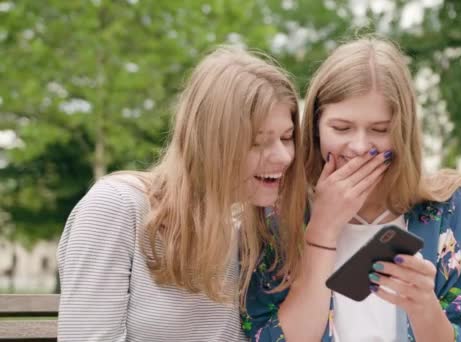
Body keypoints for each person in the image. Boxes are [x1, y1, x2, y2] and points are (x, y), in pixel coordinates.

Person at [244, 37, 461, 341]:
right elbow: (262, 335)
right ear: (316, 127)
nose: (360, 147)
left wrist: (424, 307)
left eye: (380, 130)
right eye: (341, 128)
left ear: (404, 131)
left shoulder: (449, 209)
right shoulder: (277, 209)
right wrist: (322, 228)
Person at [57, 46, 307, 341]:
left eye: (287, 137)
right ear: (210, 143)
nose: (283, 157)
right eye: (257, 142)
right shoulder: (116, 207)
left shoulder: (250, 229)